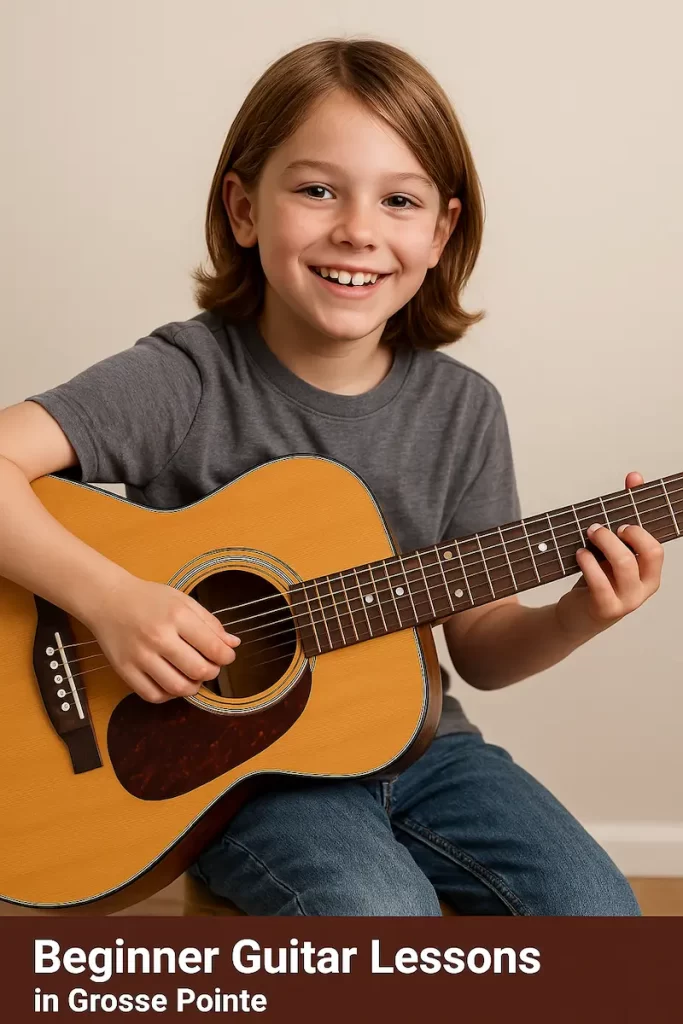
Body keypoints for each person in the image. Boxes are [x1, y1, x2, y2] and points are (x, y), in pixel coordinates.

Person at [0, 38, 664, 916]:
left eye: (398, 200)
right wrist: (113, 601)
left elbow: (478, 646)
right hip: (236, 770)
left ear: (440, 232)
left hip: (425, 751)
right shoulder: (187, 376)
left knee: (598, 917)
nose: (357, 228)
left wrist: (577, 614)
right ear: (243, 208)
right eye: (316, 190)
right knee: (376, 917)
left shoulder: (461, 408)